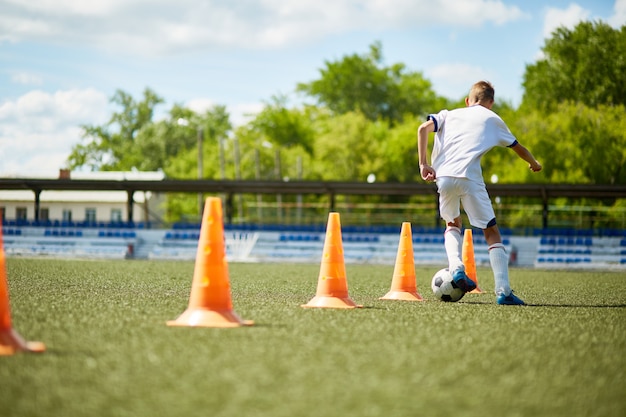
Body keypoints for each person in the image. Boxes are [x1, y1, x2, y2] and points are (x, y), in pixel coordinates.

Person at [417, 81, 542, 305]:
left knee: (452, 225)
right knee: (491, 232)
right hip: (469, 178)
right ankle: (503, 292)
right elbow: (518, 147)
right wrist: (533, 163)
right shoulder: (493, 119)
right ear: (490, 103)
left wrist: (423, 165)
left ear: (468, 101)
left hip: (443, 177)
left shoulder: (449, 114)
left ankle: (456, 268)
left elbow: (422, 129)